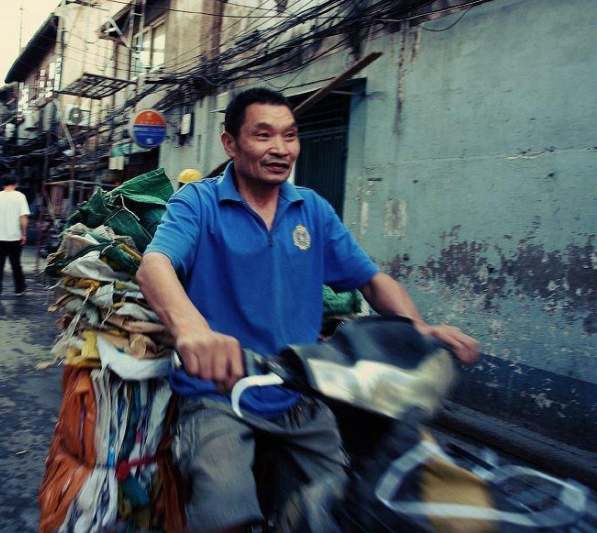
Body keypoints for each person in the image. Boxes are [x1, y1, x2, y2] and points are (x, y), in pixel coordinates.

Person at [135, 87, 480, 532]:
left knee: (344, 510)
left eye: (290, 135)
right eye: (263, 135)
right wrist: (192, 330)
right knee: (225, 509)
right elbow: (155, 266)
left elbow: (371, 280)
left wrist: (418, 330)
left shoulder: (312, 209)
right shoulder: (198, 203)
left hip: (298, 392)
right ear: (230, 143)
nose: (281, 148)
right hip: (217, 394)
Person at [0, 174, 30, 301]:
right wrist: (24, 233)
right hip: (14, 236)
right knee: (16, 264)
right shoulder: (20, 196)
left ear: (2, 184)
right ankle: (19, 288)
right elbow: (23, 217)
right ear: (16, 184)